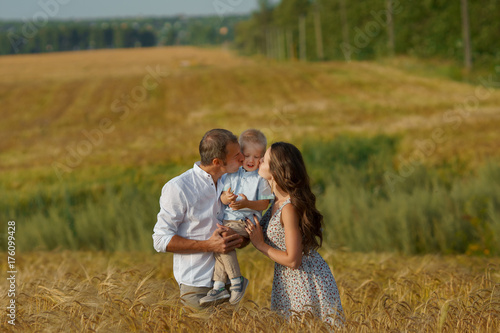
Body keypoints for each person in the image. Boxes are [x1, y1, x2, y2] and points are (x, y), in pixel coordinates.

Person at [245, 142, 345, 328]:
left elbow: (293, 260)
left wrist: (260, 245)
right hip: (289, 280)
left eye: (264, 160)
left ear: (276, 170)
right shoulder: (275, 202)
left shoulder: (288, 208)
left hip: (304, 280)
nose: (259, 161)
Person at [152, 128, 247, 310]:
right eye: (237, 155)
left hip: (229, 285)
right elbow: (160, 240)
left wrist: (239, 238)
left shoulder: (233, 182)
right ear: (217, 161)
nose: (242, 157)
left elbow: (239, 236)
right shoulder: (178, 188)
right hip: (197, 287)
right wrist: (209, 246)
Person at [200, 129, 274, 306]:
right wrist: (227, 198)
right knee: (219, 243)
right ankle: (218, 286)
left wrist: (247, 204)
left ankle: (236, 280)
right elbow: (223, 196)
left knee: (223, 239)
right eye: (247, 155)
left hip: (246, 222)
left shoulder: (260, 178)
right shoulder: (232, 173)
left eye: (257, 157)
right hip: (228, 220)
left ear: (262, 157)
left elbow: (264, 204)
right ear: (240, 154)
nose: (250, 161)